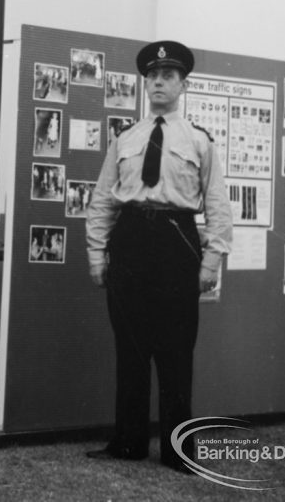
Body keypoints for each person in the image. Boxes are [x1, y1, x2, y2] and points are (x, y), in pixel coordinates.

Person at [84, 40, 233, 474]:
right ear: (145, 83)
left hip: (176, 243)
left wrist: (211, 260)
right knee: (129, 349)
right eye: (152, 76)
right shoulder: (126, 139)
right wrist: (97, 255)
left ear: (183, 84)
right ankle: (128, 442)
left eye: (168, 76)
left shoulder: (200, 141)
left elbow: (218, 205)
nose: (159, 82)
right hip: (130, 241)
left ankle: (177, 450)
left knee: (175, 351)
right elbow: (103, 202)